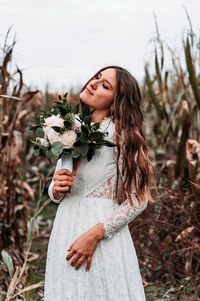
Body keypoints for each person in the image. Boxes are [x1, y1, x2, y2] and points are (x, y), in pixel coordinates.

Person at [44, 65, 157, 300]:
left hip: (100, 235)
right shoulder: (69, 127)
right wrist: (55, 188)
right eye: (97, 77)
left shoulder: (122, 136)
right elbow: (58, 193)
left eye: (105, 85)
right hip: (65, 226)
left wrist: (95, 234)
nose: (94, 83)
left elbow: (139, 199)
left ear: (117, 101)